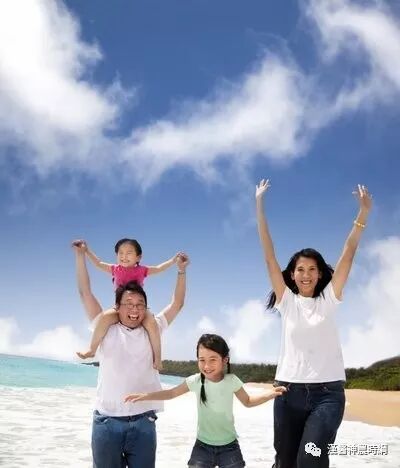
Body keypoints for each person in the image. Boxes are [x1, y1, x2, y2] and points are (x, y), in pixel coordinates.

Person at [255, 179, 372, 468]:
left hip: (327, 395)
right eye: (300, 269)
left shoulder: (329, 299)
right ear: (291, 275)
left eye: (312, 269)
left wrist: (363, 213)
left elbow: (348, 254)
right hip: (287, 393)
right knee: (285, 462)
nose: (306, 274)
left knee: (310, 458)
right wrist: (259, 205)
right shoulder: (286, 302)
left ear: (320, 274)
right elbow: (269, 256)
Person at [72, 241, 189, 468]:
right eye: (128, 303)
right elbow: (85, 292)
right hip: (107, 422)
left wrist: (181, 271)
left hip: (143, 423)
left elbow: (177, 303)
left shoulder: (153, 327)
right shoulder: (105, 326)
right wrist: (80, 255)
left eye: (140, 304)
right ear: (117, 307)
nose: (134, 309)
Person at [125, 333, 286, 468]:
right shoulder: (195, 381)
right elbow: (171, 393)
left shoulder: (231, 381)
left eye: (212, 359)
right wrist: (147, 396)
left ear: (225, 360)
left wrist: (271, 394)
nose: (206, 365)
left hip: (229, 447)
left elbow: (248, 401)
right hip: (202, 446)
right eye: (202, 360)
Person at [73, 238, 179, 370]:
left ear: (138, 257)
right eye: (120, 253)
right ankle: (92, 349)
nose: (124, 256)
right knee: (104, 318)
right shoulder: (115, 269)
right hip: (119, 307)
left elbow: (159, 268)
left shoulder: (142, 270)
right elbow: (98, 263)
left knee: (152, 324)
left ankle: (157, 358)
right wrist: (86, 251)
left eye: (129, 253)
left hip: (138, 307)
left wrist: (173, 261)